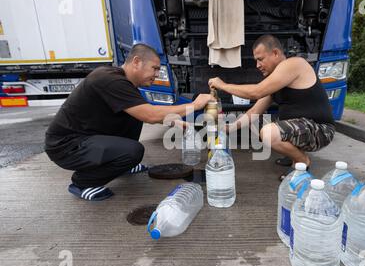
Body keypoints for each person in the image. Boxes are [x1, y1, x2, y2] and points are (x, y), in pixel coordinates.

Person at [45, 44, 214, 201]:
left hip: (86, 136)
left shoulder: (124, 83)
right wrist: (194, 105)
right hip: (65, 146)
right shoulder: (110, 80)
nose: (156, 75)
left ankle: (122, 166)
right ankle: (83, 183)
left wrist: (173, 121)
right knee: (134, 151)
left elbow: (143, 112)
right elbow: (150, 115)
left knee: (135, 113)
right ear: (136, 62)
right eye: (154, 68)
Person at [208, 35, 335, 180]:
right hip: (302, 127)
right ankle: (292, 154)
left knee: (268, 133)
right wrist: (228, 128)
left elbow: (256, 92)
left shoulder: (295, 64)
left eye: (260, 59)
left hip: (321, 130)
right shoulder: (276, 80)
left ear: (275, 53)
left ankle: (302, 161)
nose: (257, 65)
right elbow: (254, 111)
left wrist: (222, 85)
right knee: (261, 123)